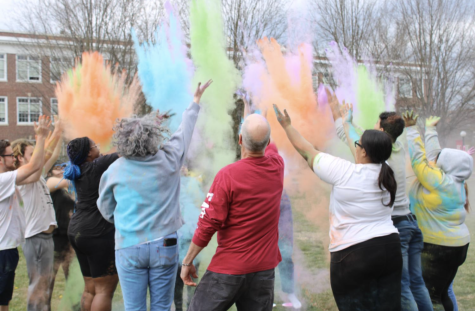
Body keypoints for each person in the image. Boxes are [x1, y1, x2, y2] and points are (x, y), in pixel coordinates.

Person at [274, 104, 402, 311]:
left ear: (363, 152)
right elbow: (358, 145)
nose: (356, 147)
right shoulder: (387, 173)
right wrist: (347, 123)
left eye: (358, 145)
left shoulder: (345, 173)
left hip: (354, 256)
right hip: (390, 249)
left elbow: (307, 151)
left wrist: (287, 126)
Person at [97, 80, 211, 311]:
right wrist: (195, 100)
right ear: (153, 138)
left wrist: (123, 221)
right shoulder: (169, 160)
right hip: (165, 244)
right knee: (161, 307)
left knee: (134, 308)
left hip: (128, 245)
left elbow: (105, 208)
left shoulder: (115, 170)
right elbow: (184, 132)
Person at [329, 97, 433, 311]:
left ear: (383, 132)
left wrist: (339, 116)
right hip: (411, 224)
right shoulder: (399, 148)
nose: (372, 127)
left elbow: (347, 134)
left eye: (376, 125)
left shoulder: (379, 157)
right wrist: (412, 129)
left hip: (399, 228)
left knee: (402, 288)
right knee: (417, 283)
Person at [181, 113, 284, 311]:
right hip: (263, 270)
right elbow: (267, 143)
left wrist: (187, 261)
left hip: (228, 270)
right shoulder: (277, 166)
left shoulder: (227, 175)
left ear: (239, 140)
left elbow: (207, 225)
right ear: (268, 141)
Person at [403, 112, 472, 311]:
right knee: (443, 291)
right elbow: (435, 156)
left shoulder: (441, 182)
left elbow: (419, 161)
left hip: (439, 247)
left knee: (429, 295)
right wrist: (431, 129)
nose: (438, 160)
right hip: (458, 246)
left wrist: (411, 129)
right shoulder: (456, 181)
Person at [11, 118, 63, 311]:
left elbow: (53, 153)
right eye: (31, 154)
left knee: (45, 286)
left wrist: (59, 130)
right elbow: (44, 156)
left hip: (45, 237)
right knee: (38, 287)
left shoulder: (37, 175)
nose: (37, 157)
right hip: (36, 237)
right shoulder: (24, 176)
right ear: (20, 158)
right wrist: (48, 135)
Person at [0, 116, 51, 311]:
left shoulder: (6, 179)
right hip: (3, 250)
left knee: (4, 300)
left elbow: (35, 171)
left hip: (7, 249)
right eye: (9, 155)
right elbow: (34, 166)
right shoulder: (3, 180)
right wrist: (40, 137)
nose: (13, 158)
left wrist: (46, 139)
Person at [64, 137, 120, 311]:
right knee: (104, 291)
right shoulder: (96, 166)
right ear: (89, 153)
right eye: (95, 146)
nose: (99, 148)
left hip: (76, 230)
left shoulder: (77, 170)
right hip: (97, 232)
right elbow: (126, 149)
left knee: (90, 289)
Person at [45, 161, 77, 307]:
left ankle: (76, 307)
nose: (60, 171)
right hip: (54, 239)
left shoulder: (68, 188)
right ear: (50, 172)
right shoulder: (50, 182)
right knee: (49, 281)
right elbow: (64, 182)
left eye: (62, 168)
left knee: (72, 280)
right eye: (57, 168)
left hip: (70, 239)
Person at [174, 167, 204, 311]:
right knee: (192, 274)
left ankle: (181, 307)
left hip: (177, 236)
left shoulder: (170, 183)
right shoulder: (193, 183)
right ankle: (190, 306)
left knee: (177, 279)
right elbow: (202, 202)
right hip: (191, 234)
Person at [277, 190, 302, 309]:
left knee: (285, 256)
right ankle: (264, 294)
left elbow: (286, 214)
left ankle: (290, 293)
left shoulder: (282, 192)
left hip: (279, 200)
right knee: (262, 260)